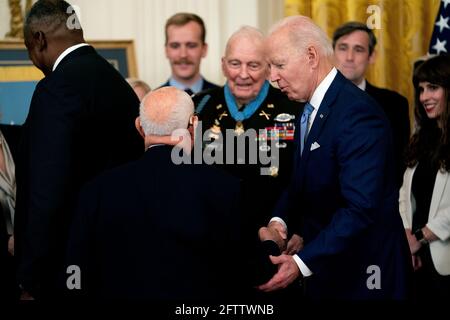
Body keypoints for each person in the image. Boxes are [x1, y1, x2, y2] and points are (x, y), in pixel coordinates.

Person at [259, 15, 411, 299]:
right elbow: (303, 180)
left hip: (366, 276)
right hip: (331, 270)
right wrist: (279, 222)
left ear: (312, 56)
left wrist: (300, 264)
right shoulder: (306, 106)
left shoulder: (357, 113)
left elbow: (361, 208)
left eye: (279, 65)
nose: (272, 77)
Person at [15, 0, 143, 300]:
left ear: (39, 40)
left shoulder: (56, 88)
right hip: (117, 256)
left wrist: (32, 278)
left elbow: (47, 189)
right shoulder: (116, 83)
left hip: (66, 265)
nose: (33, 59)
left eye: (28, 50)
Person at [65, 87, 245, 300]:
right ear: (194, 125)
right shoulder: (225, 187)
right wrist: (270, 243)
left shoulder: (96, 190)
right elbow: (247, 271)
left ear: (139, 127)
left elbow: (74, 268)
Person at [193, 26, 302, 233]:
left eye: (253, 65)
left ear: (268, 68)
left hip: (271, 235)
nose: (243, 74)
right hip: (208, 234)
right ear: (223, 66)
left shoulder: (292, 108)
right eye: (235, 64)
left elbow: (302, 180)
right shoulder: (200, 106)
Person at [332, 21, 410, 188]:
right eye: (343, 48)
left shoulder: (395, 105)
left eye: (358, 49)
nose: (349, 57)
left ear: (372, 56)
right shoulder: (310, 101)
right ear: (333, 53)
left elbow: (399, 165)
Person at [400, 54, 450, 299]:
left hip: (445, 260)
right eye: (421, 90)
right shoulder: (422, 139)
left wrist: (419, 238)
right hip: (417, 260)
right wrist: (407, 236)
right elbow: (404, 194)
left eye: (433, 88)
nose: (424, 97)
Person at [160, 12, 219, 94]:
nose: (183, 55)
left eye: (191, 46)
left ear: (204, 49)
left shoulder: (224, 99)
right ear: (166, 50)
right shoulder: (150, 103)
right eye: (175, 46)